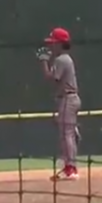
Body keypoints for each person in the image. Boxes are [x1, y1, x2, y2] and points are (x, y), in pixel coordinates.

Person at [37, 27, 81, 181]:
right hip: (69, 98)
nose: (51, 46)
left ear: (61, 44)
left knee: (66, 134)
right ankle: (70, 166)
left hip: (68, 98)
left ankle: (71, 169)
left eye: (54, 43)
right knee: (66, 134)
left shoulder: (61, 59)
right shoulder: (65, 58)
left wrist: (43, 61)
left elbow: (51, 78)